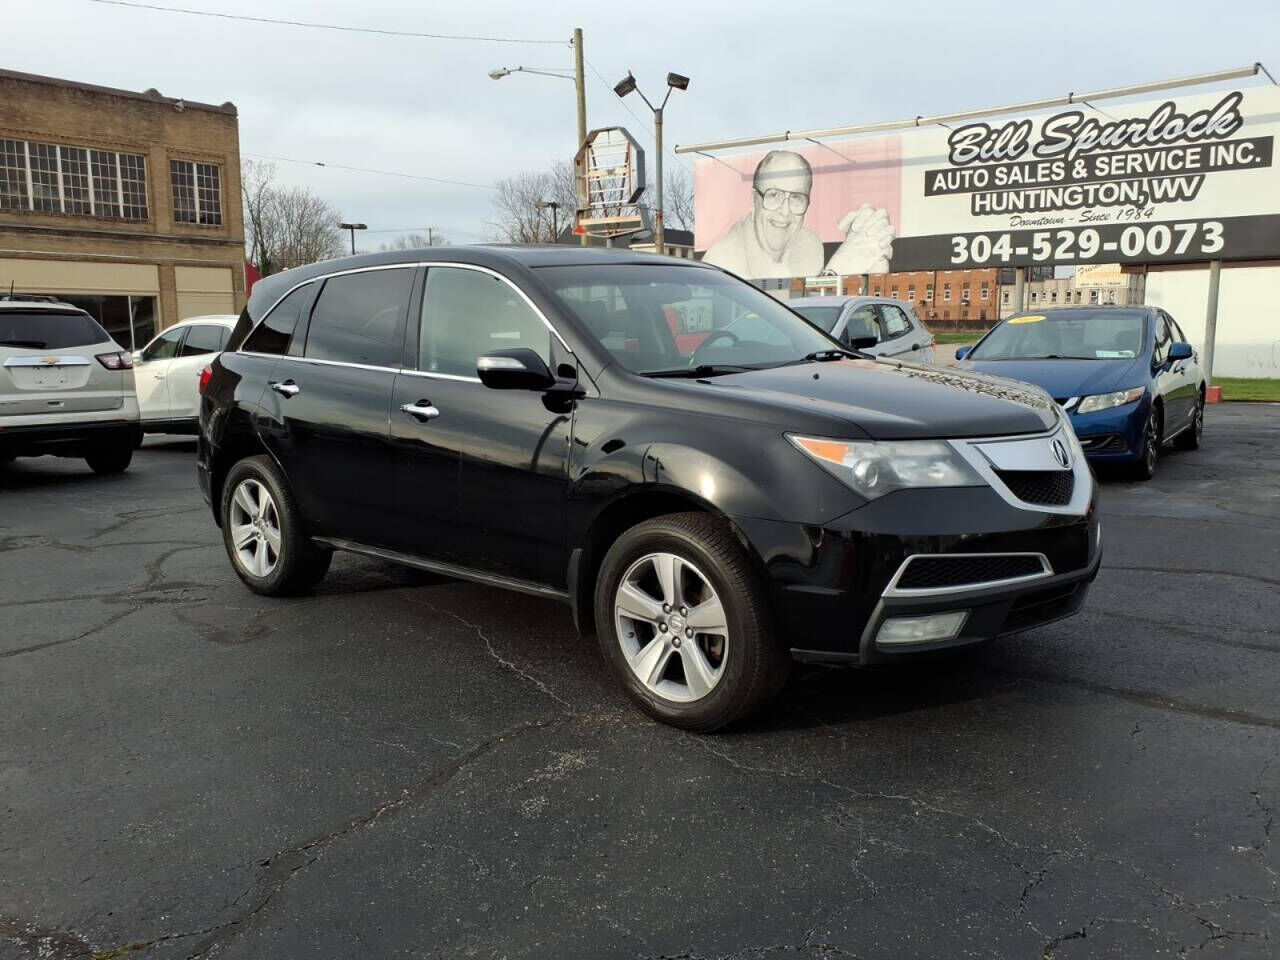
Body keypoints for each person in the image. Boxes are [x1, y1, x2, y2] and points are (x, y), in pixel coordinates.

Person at [703, 150, 895, 280]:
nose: (784, 211)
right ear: (755, 199)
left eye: (796, 198)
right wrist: (836, 272)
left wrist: (871, 262)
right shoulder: (721, 262)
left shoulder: (811, 246)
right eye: (774, 195)